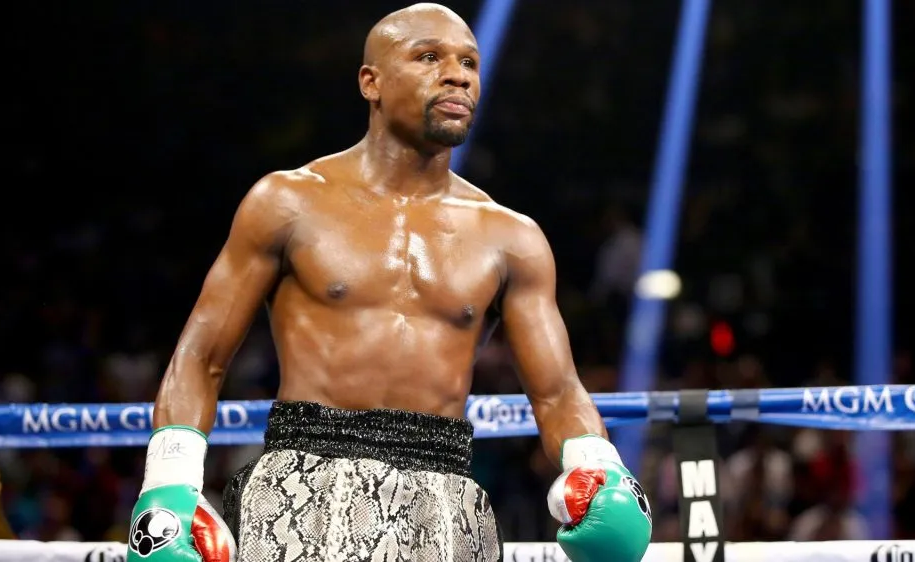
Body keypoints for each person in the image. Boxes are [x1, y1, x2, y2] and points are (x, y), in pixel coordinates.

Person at [125, 3, 652, 562]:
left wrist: (596, 465)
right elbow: (201, 355)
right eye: (429, 57)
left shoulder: (510, 237)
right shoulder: (286, 202)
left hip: (445, 497)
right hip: (302, 484)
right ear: (370, 82)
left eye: (470, 63)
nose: (458, 75)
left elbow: (557, 391)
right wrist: (171, 480)